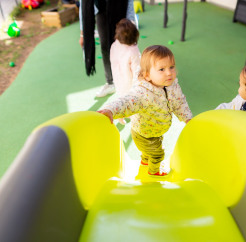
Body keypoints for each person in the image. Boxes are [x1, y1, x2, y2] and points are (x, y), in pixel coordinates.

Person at [98, 45, 193, 176]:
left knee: (149, 151)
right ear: (147, 75)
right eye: (161, 69)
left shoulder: (172, 85)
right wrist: (110, 110)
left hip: (156, 129)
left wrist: (187, 117)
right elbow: (126, 102)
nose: (169, 72)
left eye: (171, 67)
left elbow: (179, 102)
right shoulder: (143, 93)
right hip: (143, 133)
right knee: (158, 154)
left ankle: (145, 161)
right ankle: (154, 172)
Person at [79, 0, 136, 98]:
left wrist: (131, 21)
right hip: (101, 10)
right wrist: (82, 33)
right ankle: (111, 82)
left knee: (127, 47)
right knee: (106, 48)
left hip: (120, 7)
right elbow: (83, 4)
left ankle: (133, 82)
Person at [110, 18, 141, 124]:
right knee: (132, 104)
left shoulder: (114, 45)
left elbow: (113, 61)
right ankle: (134, 121)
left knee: (121, 100)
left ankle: (120, 116)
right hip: (130, 82)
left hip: (118, 78)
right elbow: (136, 69)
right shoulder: (133, 50)